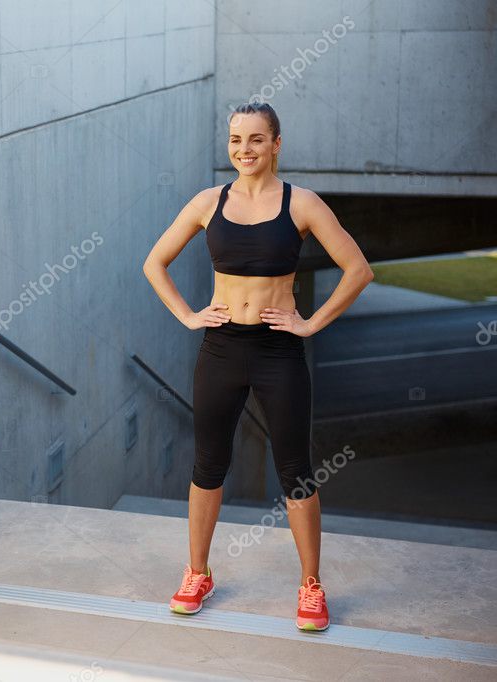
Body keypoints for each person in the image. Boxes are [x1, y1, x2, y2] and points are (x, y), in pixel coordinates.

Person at [141, 102, 373, 631]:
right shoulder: (207, 202)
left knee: (295, 471)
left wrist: (311, 323)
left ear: (276, 144)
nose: (244, 150)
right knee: (208, 466)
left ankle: (311, 585)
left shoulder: (302, 204)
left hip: (278, 350)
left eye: (256, 140)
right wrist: (187, 316)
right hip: (221, 348)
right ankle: (197, 572)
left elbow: (358, 269)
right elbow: (154, 262)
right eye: (235, 140)